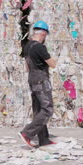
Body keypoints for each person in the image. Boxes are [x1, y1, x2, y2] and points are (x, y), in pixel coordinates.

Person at [18, 20, 57, 148]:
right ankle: (27, 133)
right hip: (41, 78)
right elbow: (52, 64)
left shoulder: (27, 46)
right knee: (47, 109)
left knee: (38, 109)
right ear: (43, 34)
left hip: (32, 78)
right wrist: (55, 59)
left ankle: (44, 139)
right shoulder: (40, 47)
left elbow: (26, 67)